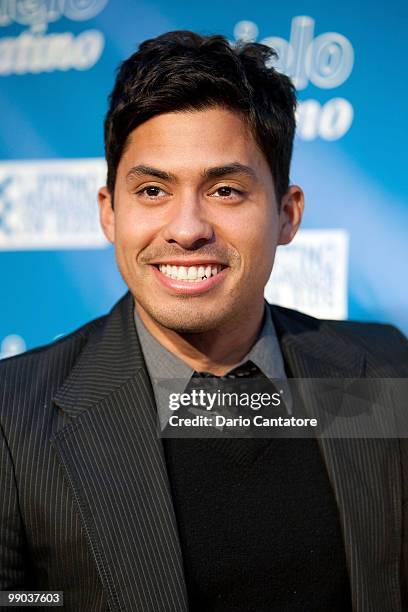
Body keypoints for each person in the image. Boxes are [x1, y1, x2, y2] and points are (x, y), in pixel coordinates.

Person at [0, 30, 407, 612]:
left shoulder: (386, 370)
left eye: (224, 189)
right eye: (151, 189)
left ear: (287, 215)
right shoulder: (13, 416)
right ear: (109, 213)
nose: (187, 228)